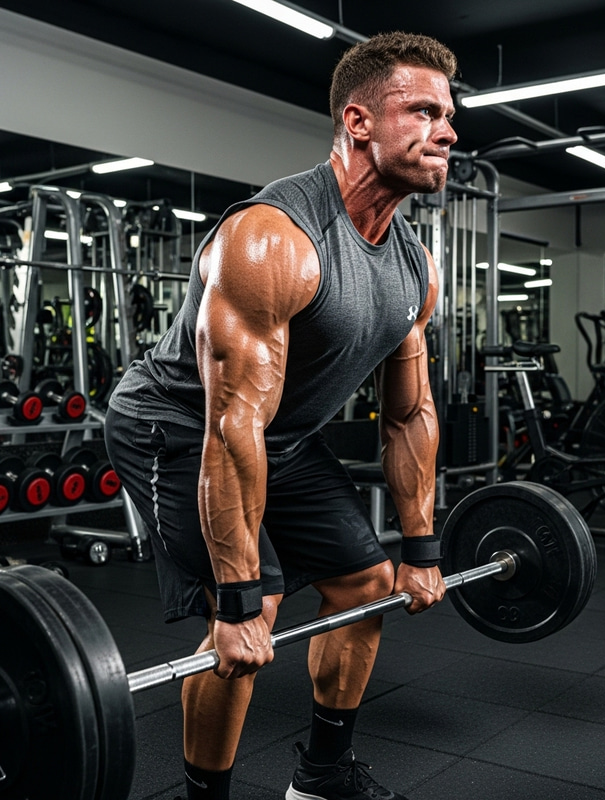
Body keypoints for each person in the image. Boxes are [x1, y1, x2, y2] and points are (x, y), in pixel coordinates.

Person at [104, 30, 458, 800]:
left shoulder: (414, 267)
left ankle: (321, 776)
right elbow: (230, 423)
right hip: (176, 425)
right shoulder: (273, 239)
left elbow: (409, 415)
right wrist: (236, 602)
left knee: (369, 584)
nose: (448, 131)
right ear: (358, 122)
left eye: (449, 115)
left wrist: (422, 546)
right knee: (253, 607)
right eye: (424, 111)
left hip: (280, 438)